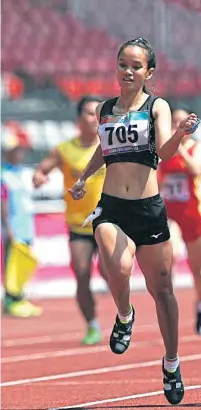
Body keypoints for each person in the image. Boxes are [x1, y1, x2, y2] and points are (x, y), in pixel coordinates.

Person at [68, 37, 199, 405]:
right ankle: (125, 315)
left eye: (136, 66)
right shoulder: (106, 109)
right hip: (112, 206)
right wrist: (84, 177)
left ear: (149, 72)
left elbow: (162, 151)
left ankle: (171, 363)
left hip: (149, 209)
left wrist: (179, 133)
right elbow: (103, 148)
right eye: (123, 64)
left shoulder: (157, 106)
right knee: (117, 264)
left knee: (164, 293)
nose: (128, 71)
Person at [32, 95, 107, 345]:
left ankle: (124, 317)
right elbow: (41, 170)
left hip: (109, 221)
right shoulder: (65, 149)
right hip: (79, 224)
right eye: (88, 113)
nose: (94, 118)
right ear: (78, 120)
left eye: (97, 113)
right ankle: (92, 326)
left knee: (112, 273)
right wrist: (39, 177)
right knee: (82, 274)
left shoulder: (110, 145)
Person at [159, 107, 201, 335]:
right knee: (170, 255)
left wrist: (179, 145)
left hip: (194, 215)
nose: (177, 125)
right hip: (170, 215)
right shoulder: (163, 152)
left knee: (198, 269)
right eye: (174, 122)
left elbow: (196, 169)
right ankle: (170, 309)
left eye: (181, 122)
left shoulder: (196, 148)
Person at [1, 125, 42, 317]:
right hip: (13, 228)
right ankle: (11, 300)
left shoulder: (24, 173)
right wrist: (8, 228)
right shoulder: (4, 175)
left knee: (23, 264)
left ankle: (20, 297)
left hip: (26, 227)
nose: (20, 154)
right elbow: (3, 204)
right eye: (16, 150)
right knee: (12, 266)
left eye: (21, 150)